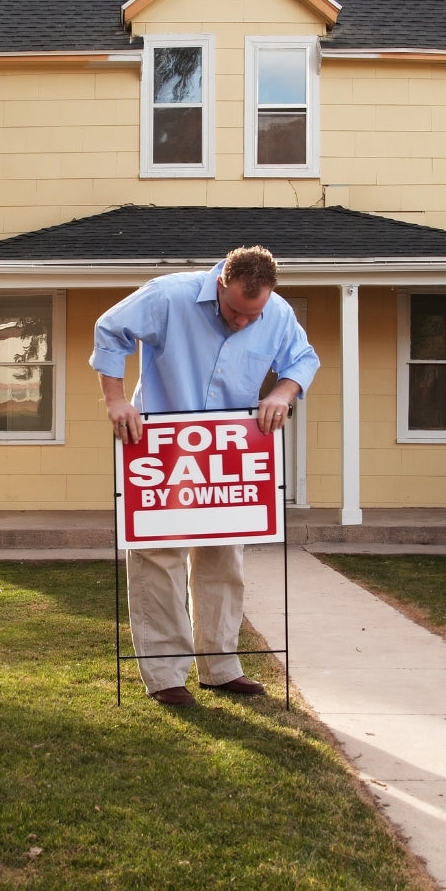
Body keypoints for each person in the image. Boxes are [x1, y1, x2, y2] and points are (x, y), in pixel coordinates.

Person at [89, 245, 320, 706]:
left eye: (251, 316)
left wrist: (284, 391)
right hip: (161, 446)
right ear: (220, 283)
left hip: (227, 453)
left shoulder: (276, 312)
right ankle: (165, 677)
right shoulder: (169, 295)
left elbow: (303, 358)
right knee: (159, 558)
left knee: (222, 559)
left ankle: (220, 668)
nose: (241, 322)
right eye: (235, 310)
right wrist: (116, 400)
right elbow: (110, 329)